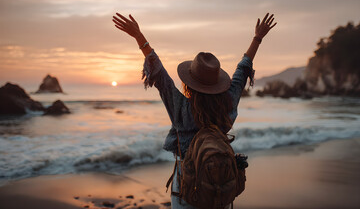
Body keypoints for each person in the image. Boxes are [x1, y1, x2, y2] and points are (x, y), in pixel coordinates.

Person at [112, 13, 276, 208]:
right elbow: (242, 70)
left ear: (189, 83)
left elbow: (160, 75)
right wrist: (257, 38)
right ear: (217, 82)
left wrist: (139, 37)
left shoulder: (181, 107)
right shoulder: (228, 103)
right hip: (217, 182)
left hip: (187, 185)